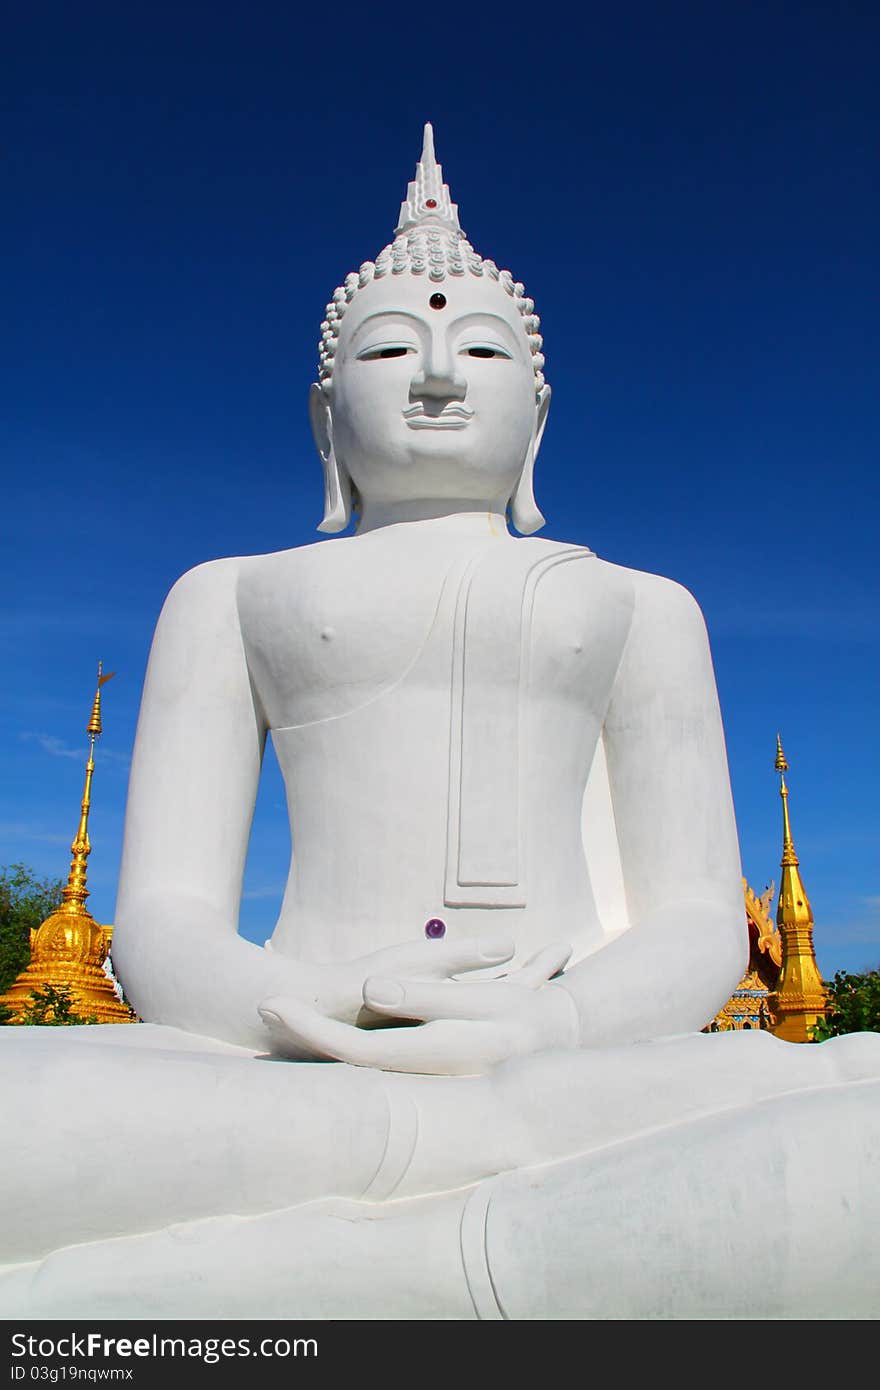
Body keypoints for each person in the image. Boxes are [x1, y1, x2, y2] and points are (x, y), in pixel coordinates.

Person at [2, 127, 878, 1320]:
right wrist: (313, 1011)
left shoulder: (641, 606)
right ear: (325, 419)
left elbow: (690, 919)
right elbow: (160, 922)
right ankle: (492, 1243)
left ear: (539, 417)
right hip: (290, 1059)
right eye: (389, 349)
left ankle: (314, 1274)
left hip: (581, 1065)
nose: (437, 376)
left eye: (479, 347)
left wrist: (556, 1020)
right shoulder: (230, 596)